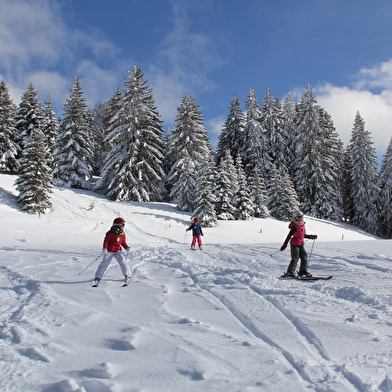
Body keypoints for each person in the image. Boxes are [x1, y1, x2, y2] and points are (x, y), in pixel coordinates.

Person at [93, 217, 131, 286]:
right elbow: (106, 241)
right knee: (104, 264)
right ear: (118, 224)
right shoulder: (110, 233)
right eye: (122, 224)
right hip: (109, 251)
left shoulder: (122, 234)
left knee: (123, 262)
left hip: (118, 251)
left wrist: (126, 247)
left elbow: (123, 242)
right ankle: (98, 276)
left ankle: (127, 274)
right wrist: (105, 248)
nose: (123, 226)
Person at [280, 211, 317, 277]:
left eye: (302, 217)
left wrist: (311, 236)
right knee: (295, 257)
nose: (301, 218)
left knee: (304, 257)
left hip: (301, 243)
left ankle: (303, 271)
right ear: (295, 217)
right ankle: (290, 272)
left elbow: (302, 235)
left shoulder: (302, 224)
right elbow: (289, 236)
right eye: (299, 217)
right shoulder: (294, 226)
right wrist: (284, 244)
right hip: (294, 243)